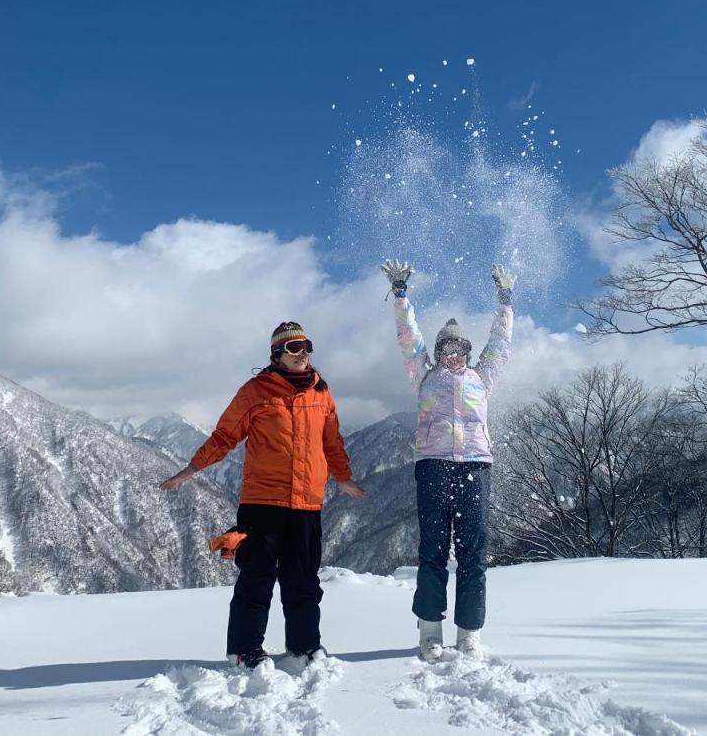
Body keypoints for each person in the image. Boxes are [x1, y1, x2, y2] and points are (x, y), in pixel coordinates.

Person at [160, 321, 365, 669]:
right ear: (276, 354)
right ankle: (245, 649)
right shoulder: (255, 391)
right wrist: (193, 468)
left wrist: (343, 477)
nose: (302, 355)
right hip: (262, 502)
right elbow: (225, 436)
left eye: (306, 347)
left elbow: (332, 442)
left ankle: (304, 646)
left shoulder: (321, 393)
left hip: (306, 503)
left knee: (303, 581)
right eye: (293, 349)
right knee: (256, 579)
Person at [381, 260, 514, 661]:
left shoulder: (482, 377)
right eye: (445, 348)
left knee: (473, 552)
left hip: (475, 465)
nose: (452, 354)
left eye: (459, 349)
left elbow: (501, 342)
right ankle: (430, 629)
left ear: (468, 353)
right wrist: (401, 293)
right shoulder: (423, 374)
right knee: (433, 550)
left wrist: (505, 299)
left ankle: (469, 632)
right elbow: (409, 337)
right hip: (434, 465)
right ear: (437, 352)